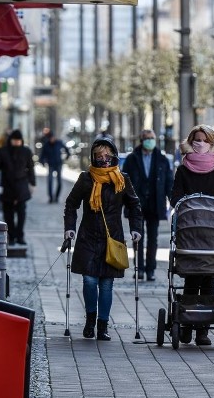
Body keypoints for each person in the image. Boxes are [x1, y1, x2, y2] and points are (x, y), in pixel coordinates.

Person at [64, 136, 143, 341]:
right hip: (88, 237)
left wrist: (136, 229)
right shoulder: (86, 178)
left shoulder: (122, 179)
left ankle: (102, 326)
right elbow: (71, 204)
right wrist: (69, 229)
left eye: (107, 155)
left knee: (106, 284)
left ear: (114, 155)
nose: (104, 159)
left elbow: (135, 206)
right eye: (99, 155)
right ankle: (90, 321)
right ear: (93, 157)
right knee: (90, 281)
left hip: (112, 239)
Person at [169, 124, 214, 346]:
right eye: (196, 140)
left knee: (208, 280)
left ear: (212, 143)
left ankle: (203, 331)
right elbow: (175, 198)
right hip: (190, 233)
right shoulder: (183, 170)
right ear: (190, 142)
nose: (200, 144)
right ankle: (186, 326)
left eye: (204, 140)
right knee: (191, 279)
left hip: (212, 236)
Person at [122, 129, 174, 282]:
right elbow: (125, 181)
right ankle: (139, 269)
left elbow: (168, 181)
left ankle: (150, 270)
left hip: (155, 203)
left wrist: (172, 200)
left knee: (153, 238)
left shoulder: (162, 159)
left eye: (152, 138)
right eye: (146, 138)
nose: (149, 140)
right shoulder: (132, 158)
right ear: (141, 140)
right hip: (136, 204)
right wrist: (123, 202)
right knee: (137, 237)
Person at [0, 129, 36, 246]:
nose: (16, 143)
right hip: (7, 186)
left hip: (21, 186)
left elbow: (30, 168)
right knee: (8, 214)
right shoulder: (2, 152)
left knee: (21, 213)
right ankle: (11, 236)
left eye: (18, 141)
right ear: (10, 140)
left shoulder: (26, 151)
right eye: (14, 140)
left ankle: (20, 236)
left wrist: (33, 183)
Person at [39, 128, 71, 203]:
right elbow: (42, 155)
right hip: (50, 165)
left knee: (59, 182)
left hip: (58, 164)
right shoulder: (46, 145)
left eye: (53, 138)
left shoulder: (59, 142)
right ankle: (51, 198)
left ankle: (56, 197)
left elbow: (67, 149)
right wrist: (42, 162)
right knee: (50, 181)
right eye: (50, 138)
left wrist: (67, 156)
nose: (52, 140)